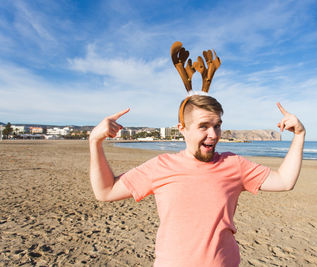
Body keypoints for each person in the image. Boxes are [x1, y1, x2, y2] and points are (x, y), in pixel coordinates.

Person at [89, 94, 305, 267]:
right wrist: (95, 141)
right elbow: (105, 192)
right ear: (182, 129)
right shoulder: (161, 166)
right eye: (203, 126)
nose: (213, 134)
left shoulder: (234, 164)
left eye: (217, 125)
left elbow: (284, 181)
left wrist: (299, 135)